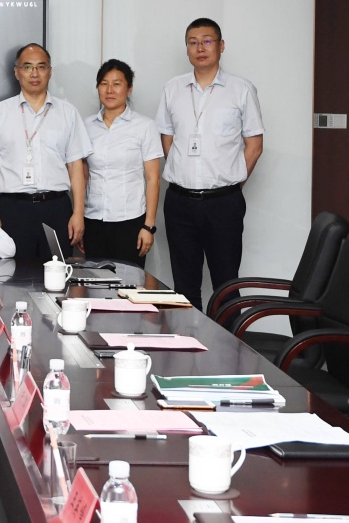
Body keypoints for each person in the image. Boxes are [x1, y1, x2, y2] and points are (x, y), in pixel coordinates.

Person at [155, 18, 264, 310]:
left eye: (207, 41)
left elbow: (254, 146)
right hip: (179, 202)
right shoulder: (173, 88)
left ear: (221, 46)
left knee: (226, 285)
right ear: (187, 49)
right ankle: (188, 340)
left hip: (223, 203)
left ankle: (228, 341)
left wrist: (230, 183)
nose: (200, 48)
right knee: (184, 286)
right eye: (193, 42)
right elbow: (167, 138)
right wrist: (185, 173)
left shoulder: (241, 89)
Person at [0, 43, 92, 260]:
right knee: (14, 274)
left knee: (57, 274)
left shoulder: (68, 113)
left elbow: (76, 166)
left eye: (41, 67)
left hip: (56, 208)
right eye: (28, 67)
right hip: (13, 210)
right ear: (17, 72)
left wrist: (78, 213)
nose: (34, 73)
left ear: (50, 71)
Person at [83, 60, 164, 267]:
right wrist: (80, 219)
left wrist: (148, 226)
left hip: (130, 222)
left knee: (129, 282)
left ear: (129, 88)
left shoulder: (145, 126)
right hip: (93, 220)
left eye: (117, 84)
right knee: (94, 281)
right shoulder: (86, 126)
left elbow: (153, 179)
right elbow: (82, 175)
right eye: (104, 83)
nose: (109, 90)